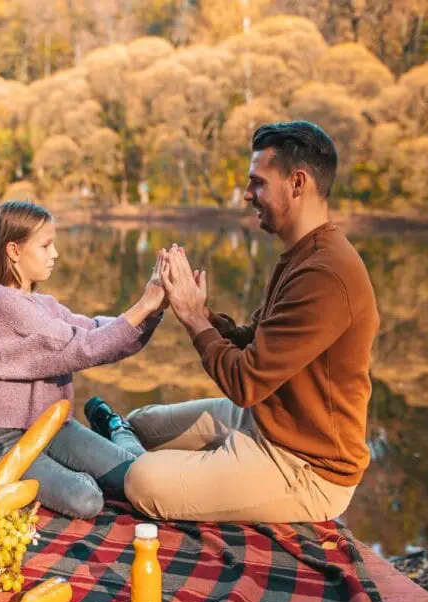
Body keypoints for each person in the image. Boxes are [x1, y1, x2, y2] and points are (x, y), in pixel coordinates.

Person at [87, 121, 380, 523]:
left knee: (142, 482)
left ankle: (160, 473)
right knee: (139, 424)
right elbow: (255, 343)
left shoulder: (325, 273)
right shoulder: (302, 254)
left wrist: (191, 318)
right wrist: (205, 314)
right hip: (266, 420)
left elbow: (246, 382)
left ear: (297, 183)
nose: (247, 194)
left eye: (258, 182)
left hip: (304, 466)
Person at [0, 200, 165, 520]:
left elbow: (99, 332)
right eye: (45, 245)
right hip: (8, 438)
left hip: (56, 427)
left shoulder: (44, 304)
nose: (54, 253)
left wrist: (153, 311)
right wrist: (141, 307)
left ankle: (116, 427)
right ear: (14, 251)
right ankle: (103, 446)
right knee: (87, 499)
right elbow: (81, 347)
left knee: (139, 474)